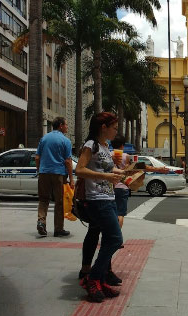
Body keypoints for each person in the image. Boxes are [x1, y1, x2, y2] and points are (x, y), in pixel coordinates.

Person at [75, 112, 126, 303]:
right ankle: (93, 278)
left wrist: (119, 172)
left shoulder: (105, 147)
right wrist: (106, 177)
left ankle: (101, 279)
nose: (116, 131)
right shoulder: (91, 145)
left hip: (109, 197)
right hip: (97, 199)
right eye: (114, 127)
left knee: (109, 240)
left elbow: (104, 169)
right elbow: (79, 169)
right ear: (103, 127)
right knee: (114, 239)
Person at [35, 116, 74, 238]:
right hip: (59, 174)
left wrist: (40, 170)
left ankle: (41, 222)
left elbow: (37, 157)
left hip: (44, 173)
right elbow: (68, 161)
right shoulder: (65, 141)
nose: (67, 127)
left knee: (43, 199)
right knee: (59, 202)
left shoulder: (44, 138)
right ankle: (58, 229)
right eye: (66, 125)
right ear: (61, 125)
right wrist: (71, 179)